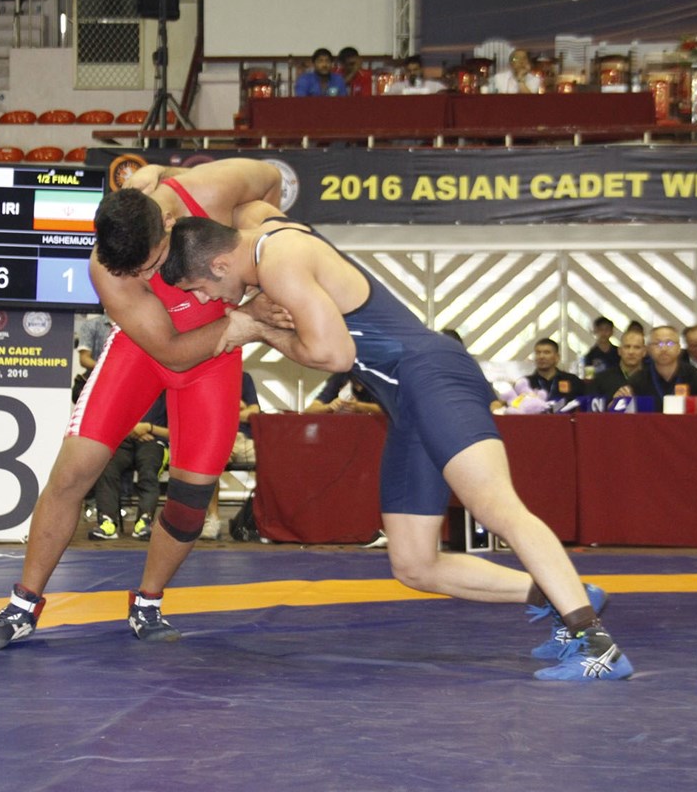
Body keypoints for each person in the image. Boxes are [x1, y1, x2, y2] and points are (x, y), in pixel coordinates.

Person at [162, 207, 631, 681]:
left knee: (497, 507)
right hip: (407, 400)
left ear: (220, 264)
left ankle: (597, 645)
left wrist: (260, 329)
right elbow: (258, 198)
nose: (204, 299)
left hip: (432, 376)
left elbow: (335, 355)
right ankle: (565, 594)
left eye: (198, 287)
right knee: (415, 565)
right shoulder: (269, 233)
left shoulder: (278, 261)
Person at [0, 158, 284, 652]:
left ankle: (147, 602)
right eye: (134, 273)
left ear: (170, 224)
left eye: (151, 266)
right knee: (73, 473)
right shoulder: (106, 266)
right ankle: (23, 604)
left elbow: (271, 178)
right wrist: (243, 322)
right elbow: (172, 353)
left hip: (213, 359)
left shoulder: (209, 190)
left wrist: (261, 242)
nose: (147, 278)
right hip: (149, 349)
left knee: (190, 502)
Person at [89, 393, 169, 542]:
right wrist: (131, 431)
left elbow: (177, 433)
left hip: (154, 441)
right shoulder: (124, 389)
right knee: (107, 467)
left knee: (148, 471)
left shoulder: (169, 393)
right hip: (123, 439)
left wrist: (149, 428)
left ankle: (144, 521)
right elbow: (105, 422)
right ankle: (107, 522)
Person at [202, 371, 260, 540]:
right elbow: (207, 412)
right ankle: (213, 519)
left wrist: (225, 408)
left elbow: (254, 412)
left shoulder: (243, 377)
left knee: (275, 461)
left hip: (244, 439)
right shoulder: (206, 378)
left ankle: (262, 520)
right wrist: (237, 407)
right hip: (219, 436)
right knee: (210, 462)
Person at [616, 325, 697, 411]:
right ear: (649, 349)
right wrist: (618, 400)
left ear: (679, 348)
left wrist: (693, 407)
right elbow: (617, 408)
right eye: (658, 344)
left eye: (669, 343)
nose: (664, 349)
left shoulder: (693, 375)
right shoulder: (639, 379)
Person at [589, 329, 647, 402]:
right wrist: (612, 404)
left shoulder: (653, 380)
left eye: (637, 347)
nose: (631, 352)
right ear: (619, 351)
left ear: (644, 351)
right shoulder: (601, 379)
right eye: (627, 347)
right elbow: (591, 407)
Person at [524, 338, 584, 405]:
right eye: (538, 353)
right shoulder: (525, 382)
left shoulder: (572, 380)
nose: (541, 357)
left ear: (557, 357)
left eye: (546, 352)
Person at [305, 371, 382, 414]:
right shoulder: (341, 376)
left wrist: (359, 407)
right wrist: (329, 407)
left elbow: (387, 409)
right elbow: (310, 410)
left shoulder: (380, 378)